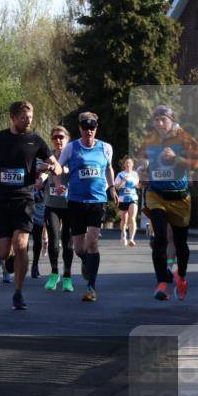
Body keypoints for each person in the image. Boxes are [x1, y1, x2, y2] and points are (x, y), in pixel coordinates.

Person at [0, 101, 62, 310]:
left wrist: (52, 166)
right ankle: (7, 261)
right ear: (13, 117)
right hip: (0, 201)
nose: (28, 121)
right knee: (1, 252)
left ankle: (18, 293)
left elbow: (59, 167)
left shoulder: (35, 140)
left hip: (24, 200)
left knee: (21, 245)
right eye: (24, 118)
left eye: (30, 118)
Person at [135, 105, 197, 301]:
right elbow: (141, 160)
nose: (160, 123)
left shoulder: (184, 137)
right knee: (160, 238)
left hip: (179, 197)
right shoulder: (150, 139)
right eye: (156, 120)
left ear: (171, 120)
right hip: (156, 195)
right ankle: (161, 284)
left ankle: (182, 276)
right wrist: (141, 169)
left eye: (163, 119)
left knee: (181, 244)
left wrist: (175, 158)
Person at [54, 112, 115, 302]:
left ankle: (91, 287)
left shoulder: (105, 148)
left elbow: (108, 168)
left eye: (92, 127)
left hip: (97, 200)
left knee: (93, 242)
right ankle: (85, 261)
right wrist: (57, 184)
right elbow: (57, 167)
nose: (89, 130)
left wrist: (112, 187)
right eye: (85, 127)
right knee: (79, 248)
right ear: (79, 128)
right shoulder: (71, 148)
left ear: (96, 128)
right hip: (75, 201)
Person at [41, 126, 75, 292]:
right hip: (52, 205)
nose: (58, 140)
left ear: (67, 138)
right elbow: (43, 173)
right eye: (54, 137)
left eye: (61, 137)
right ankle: (54, 273)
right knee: (54, 241)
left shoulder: (73, 156)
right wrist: (40, 179)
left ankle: (67, 276)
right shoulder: (49, 158)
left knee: (68, 242)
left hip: (70, 206)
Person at [115, 157, 140, 246]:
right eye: (126, 163)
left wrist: (139, 186)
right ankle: (123, 233)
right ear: (124, 165)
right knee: (124, 220)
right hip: (122, 199)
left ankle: (132, 239)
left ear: (132, 165)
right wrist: (123, 180)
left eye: (130, 163)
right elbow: (117, 187)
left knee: (132, 218)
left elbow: (138, 185)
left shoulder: (135, 174)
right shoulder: (120, 174)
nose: (128, 164)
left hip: (133, 198)